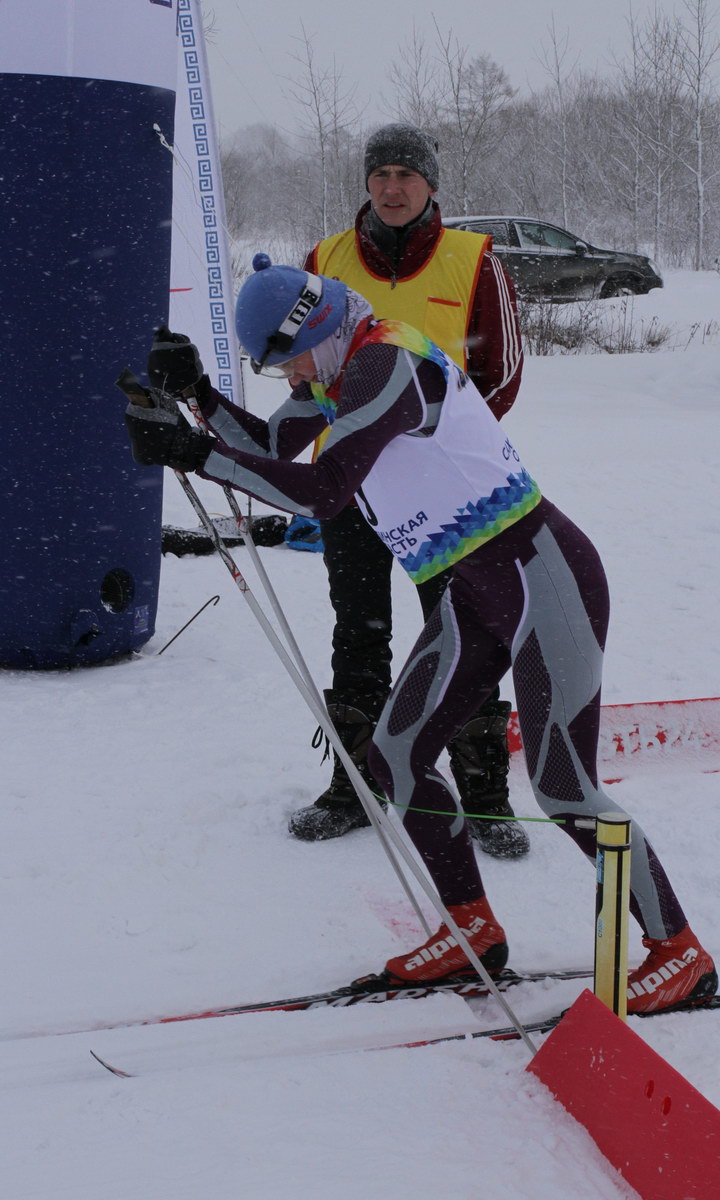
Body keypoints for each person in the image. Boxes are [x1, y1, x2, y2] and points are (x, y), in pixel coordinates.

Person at [122, 259, 716, 1015]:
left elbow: (326, 491)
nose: (291, 377)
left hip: (545, 579)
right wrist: (199, 397)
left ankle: (681, 952)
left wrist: (194, 453)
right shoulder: (342, 368)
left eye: (287, 359)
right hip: (474, 590)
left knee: (564, 785)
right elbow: (274, 442)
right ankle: (471, 930)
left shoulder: (384, 366)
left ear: (316, 328)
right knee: (397, 755)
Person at [291, 123, 528, 855]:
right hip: (351, 488)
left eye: (406, 174)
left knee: (465, 635)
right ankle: (357, 786)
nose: (391, 188)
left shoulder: (474, 260)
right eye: (380, 174)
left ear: (431, 185)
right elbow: (299, 367)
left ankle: (484, 793)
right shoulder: (325, 261)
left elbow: (504, 373)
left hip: (443, 499)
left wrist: (435, 448)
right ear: (366, 183)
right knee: (358, 634)